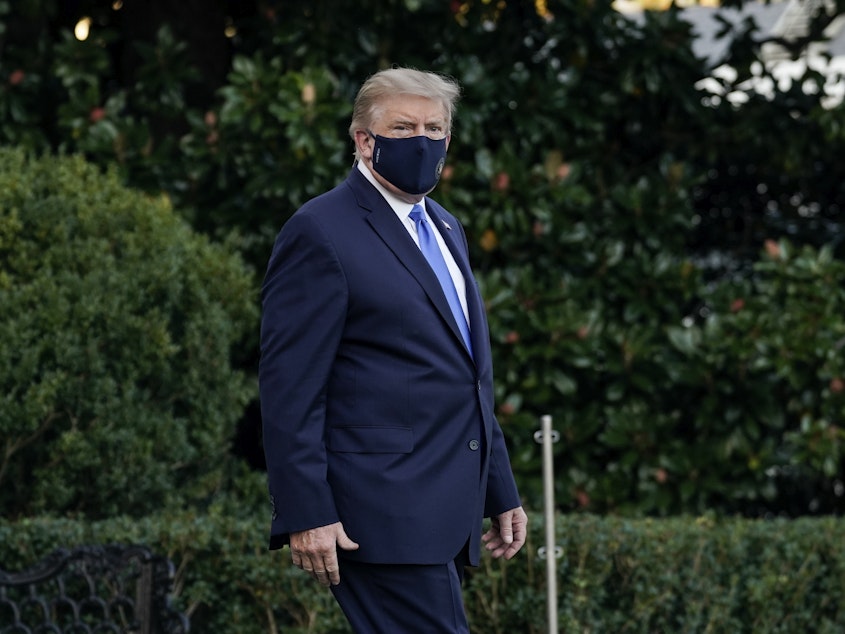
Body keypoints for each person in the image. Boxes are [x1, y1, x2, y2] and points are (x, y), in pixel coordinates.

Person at [259, 67, 527, 633]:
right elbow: (290, 390)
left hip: (438, 509)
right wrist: (307, 511)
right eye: (403, 127)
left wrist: (500, 490)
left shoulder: (446, 227)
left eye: (435, 128)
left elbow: (468, 375)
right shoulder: (319, 230)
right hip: (375, 515)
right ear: (363, 139)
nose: (423, 140)